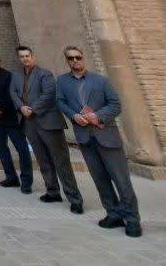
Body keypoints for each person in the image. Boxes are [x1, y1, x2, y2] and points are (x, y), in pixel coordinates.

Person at [56, 46, 140, 236]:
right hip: (85, 138)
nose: (75, 60)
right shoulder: (62, 81)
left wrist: (97, 115)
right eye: (71, 58)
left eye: (78, 57)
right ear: (67, 61)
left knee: (121, 180)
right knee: (100, 179)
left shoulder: (101, 80)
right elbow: (60, 102)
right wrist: (73, 116)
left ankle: (132, 219)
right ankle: (113, 214)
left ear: (83, 58)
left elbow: (115, 105)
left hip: (107, 137)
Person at [11, 46, 83, 213]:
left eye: (27, 56)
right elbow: (13, 93)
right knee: (42, 159)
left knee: (61, 162)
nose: (25, 59)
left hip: (48, 122)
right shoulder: (16, 76)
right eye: (22, 56)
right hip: (29, 123)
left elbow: (49, 94)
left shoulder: (45, 74)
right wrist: (21, 107)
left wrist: (32, 109)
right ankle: (52, 191)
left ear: (32, 56)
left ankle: (75, 199)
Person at [0, 50, 32, 192]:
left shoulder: (9, 75)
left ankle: (26, 181)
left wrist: (0, 108)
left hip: (11, 119)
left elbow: (12, 95)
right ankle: (11, 177)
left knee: (22, 149)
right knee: (1, 150)